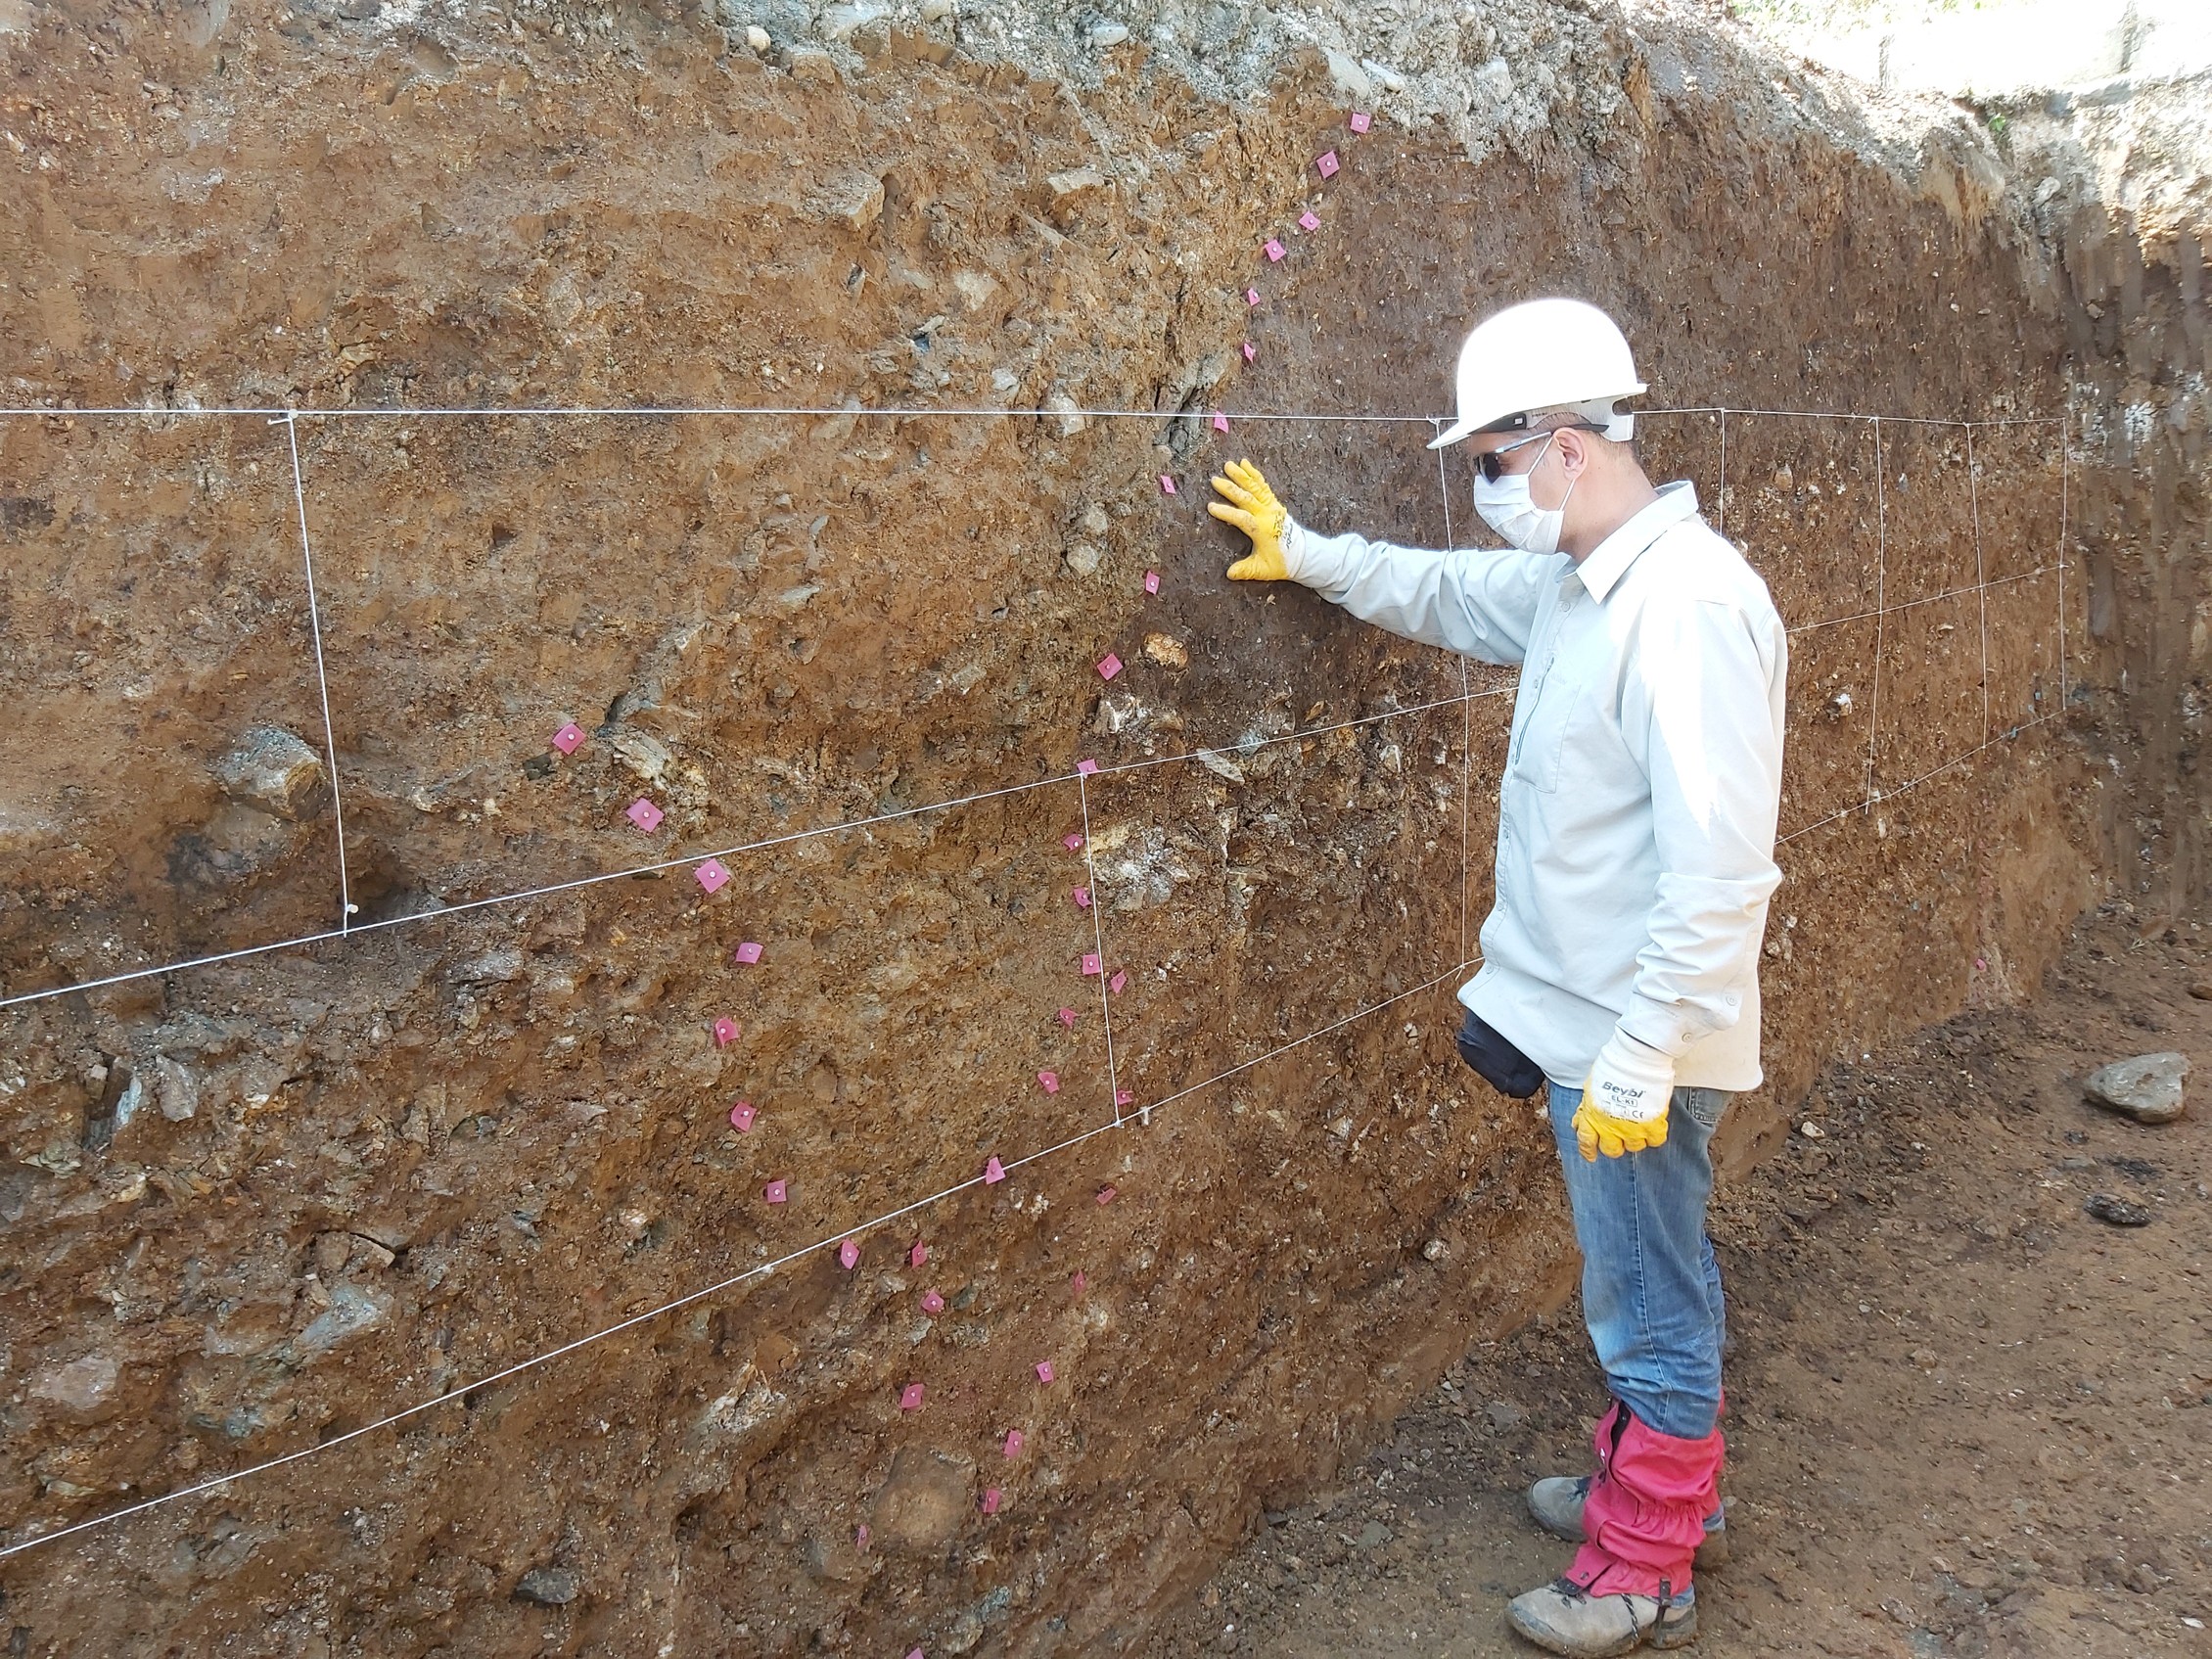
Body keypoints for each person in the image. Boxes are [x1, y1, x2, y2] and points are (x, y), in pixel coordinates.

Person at [1208, 297, 1786, 1656]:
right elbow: (1450, 594)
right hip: (1592, 1018)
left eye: (1489, 462)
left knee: (1646, 1293)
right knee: (1637, 1276)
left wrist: (1645, 1053)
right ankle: (1652, 1489)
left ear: (1567, 445)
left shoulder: (1689, 607)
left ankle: (1647, 1559)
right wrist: (1309, 555)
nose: (1481, 492)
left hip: (1635, 1038)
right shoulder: (1587, 586)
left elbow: (1720, 868)